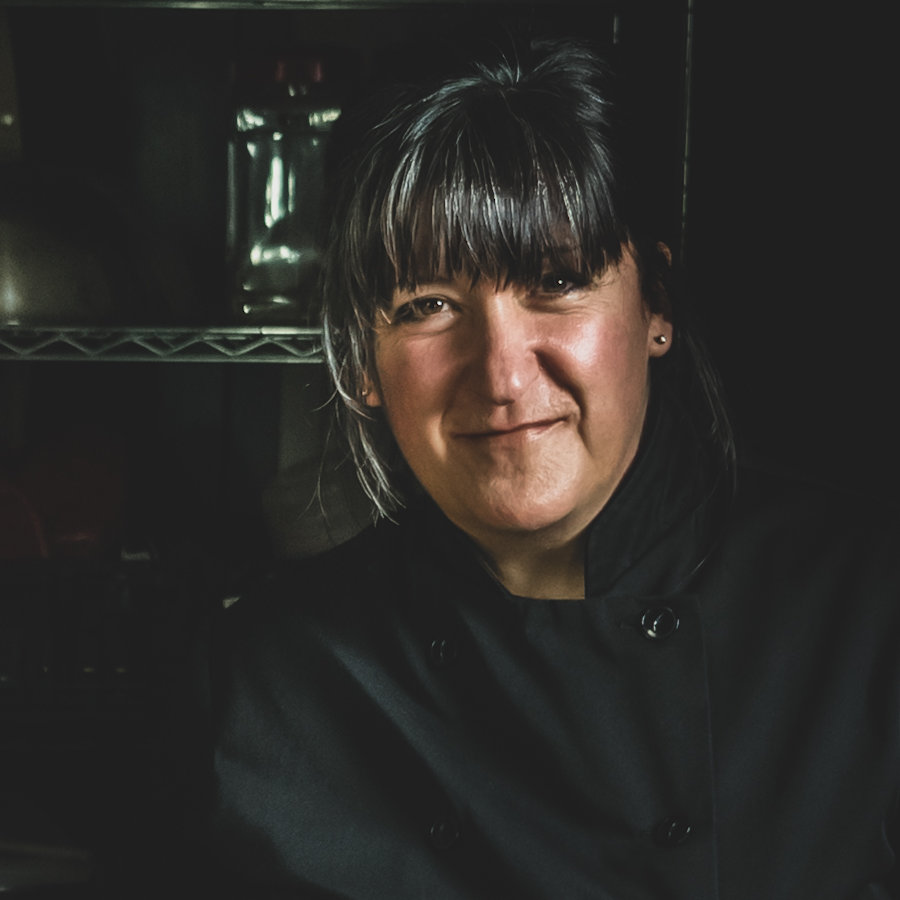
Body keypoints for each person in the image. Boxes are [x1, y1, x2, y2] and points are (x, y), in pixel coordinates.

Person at [185, 38, 899, 899]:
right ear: (362, 359)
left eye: (556, 282)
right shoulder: (274, 680)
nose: (502, 375)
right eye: (428, 304)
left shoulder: (866, 617)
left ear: (656, 304)